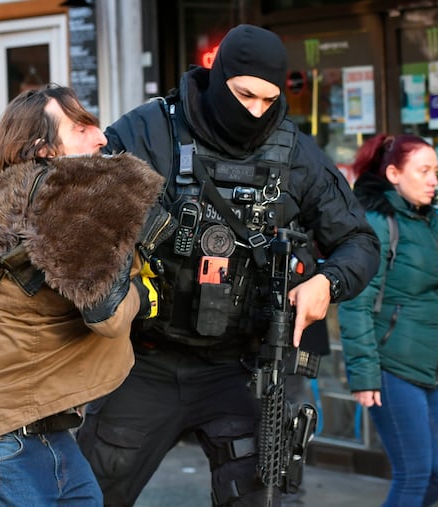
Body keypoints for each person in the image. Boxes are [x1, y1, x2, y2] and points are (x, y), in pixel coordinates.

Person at [76, 24, 380, 506]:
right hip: (148, 359)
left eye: (268, 99)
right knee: (91, 493)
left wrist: (328, 281)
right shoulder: (150, 129)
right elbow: (87, 203)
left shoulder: (296, 153)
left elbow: (359, 242)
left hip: (244, 366)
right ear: (218, 76)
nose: (255, 111)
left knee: (263, 497)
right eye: (243, 95)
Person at [0, 84, 165, 506]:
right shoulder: (58, 201)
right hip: (4, 436)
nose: (101, 138)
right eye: (81, 128)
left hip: (48, 430)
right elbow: (110, 316)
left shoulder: (17, 196)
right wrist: (142, 288)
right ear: (44, 150)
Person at [337, 133, 438, 507]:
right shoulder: (377, 224)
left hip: (431, 366)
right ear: (394, 173)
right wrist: (363, 375)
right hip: (391, 368)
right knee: (414, 474)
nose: (434, 180)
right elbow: (355, 303)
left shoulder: (433, 225)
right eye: (424, 171)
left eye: (437, 171)